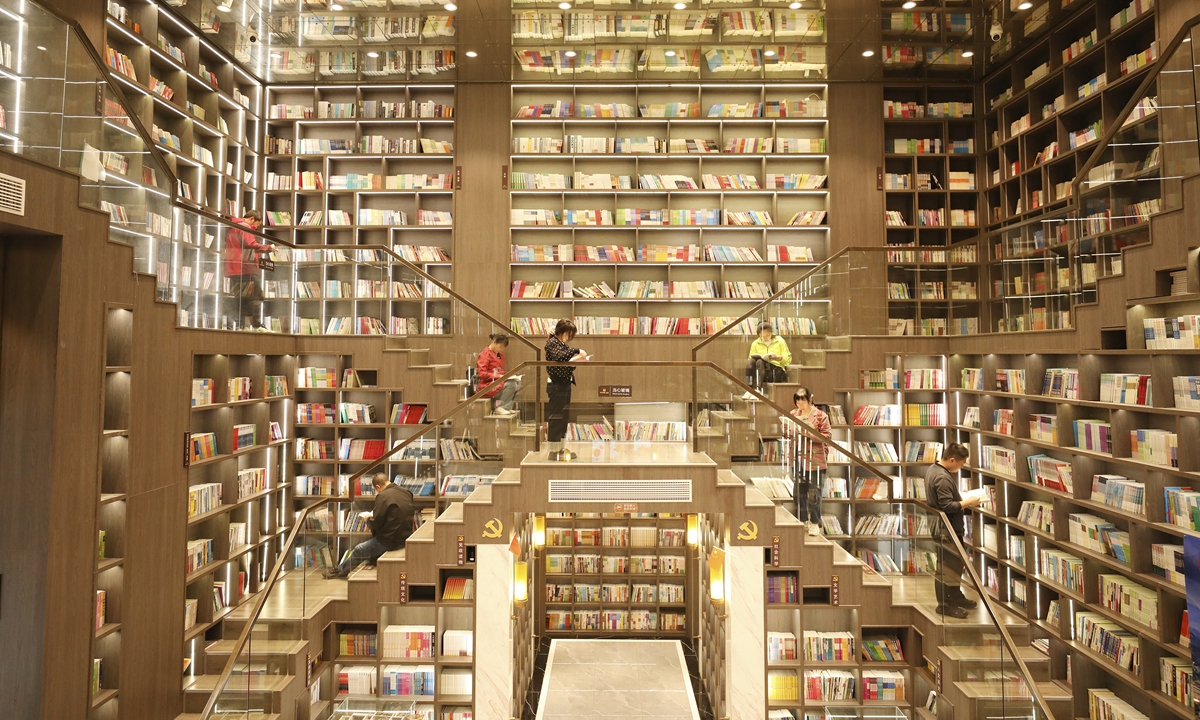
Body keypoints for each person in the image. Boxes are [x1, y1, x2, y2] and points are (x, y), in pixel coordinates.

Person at [926, 443, 981, 619]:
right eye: (961, 463)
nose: (961, 467)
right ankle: (945, 605)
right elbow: (947, 506)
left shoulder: (934, 469)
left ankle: (955, 596)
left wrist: (959, 496)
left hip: (944, 528)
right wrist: (968, 502)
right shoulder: (942, 477)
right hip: (946, 529)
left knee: (955, 565)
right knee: (947, 568)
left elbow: (947, 498)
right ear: (952, 460)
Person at [324, 473, 415, 579]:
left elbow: (376, 523)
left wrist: (368, 519)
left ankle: (339, 572)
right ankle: (371, 563)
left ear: (378, 487)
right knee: (372, 542)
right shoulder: (406, 493)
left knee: (359, 549)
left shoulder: (383, 496)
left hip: (391, 541)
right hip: (405, 537)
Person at [789, 387, 832, 537]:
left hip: (816, 461)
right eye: (798, 400)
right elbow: (787, 433)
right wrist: (788, 428)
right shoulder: (794, 414)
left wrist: (808, 433)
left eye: (803, 400)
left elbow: (826, 437)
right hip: (798, 459)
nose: (800, 404)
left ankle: (814, 522)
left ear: (810, 399)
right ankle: (803, 520)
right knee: (798, 493)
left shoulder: (821, 416)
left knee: (814, 494)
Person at [223, 210, 275, 331]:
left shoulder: (232, 227)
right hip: (246, 267)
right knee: (257, 296)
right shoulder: (245, 226)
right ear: (252, 219)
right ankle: (256, 325)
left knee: (240, 298)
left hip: (234, 268)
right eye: (256, 225)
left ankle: (240, 325)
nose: (256, 229)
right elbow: (252, 244)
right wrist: (268, 248)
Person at [545, 319, 589, 461]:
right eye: (568, 334)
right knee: (556, 417)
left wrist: (575, 360)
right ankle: (553, 451)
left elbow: (565, 362)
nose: (569, 337)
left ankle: (560, 448)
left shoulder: (561, 344)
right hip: (557, 384)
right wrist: (576, 351)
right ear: (562, 332)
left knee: (563, 417)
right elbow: (560, 357)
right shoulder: (552, 343)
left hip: (564, 383)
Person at [743, 321, 791, 398]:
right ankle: (749, 388)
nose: (765, 338)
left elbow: (788, 360)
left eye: (767, 335)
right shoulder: (755, 343)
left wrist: (780, 358)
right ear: (758, 335)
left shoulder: (780, 341)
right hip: (760, 371)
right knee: (751, 362)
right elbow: (750, 360)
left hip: (776, 371)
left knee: (759, 362)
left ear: (772, 333)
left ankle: (757, 389)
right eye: (762, 336)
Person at [477, 333, 520, 415]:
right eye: (500, 346)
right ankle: (501, 407)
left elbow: (500, 370)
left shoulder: (500, 355)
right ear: (494, 342)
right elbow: (482, 374)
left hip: (498, 382)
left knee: (517, 382)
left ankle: (507, 406)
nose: (501, 349)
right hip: (488, 385)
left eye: (503, 348)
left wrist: (509, 376)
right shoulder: (484, 354)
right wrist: (499, 376)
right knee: (511, 384)